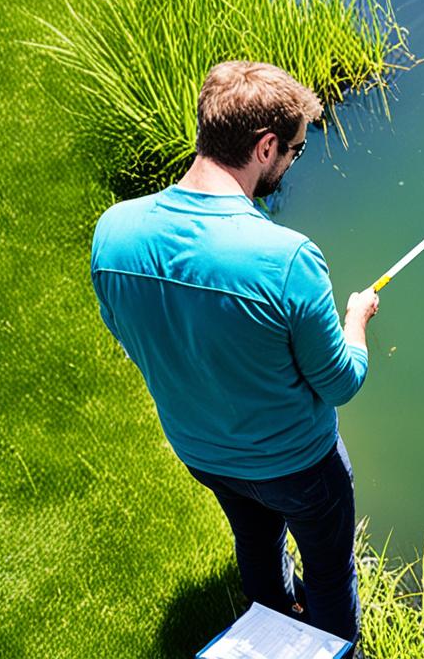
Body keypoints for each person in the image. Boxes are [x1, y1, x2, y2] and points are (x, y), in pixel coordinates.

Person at [90, 60, 378, 644]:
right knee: (329, 571)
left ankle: (272, 630)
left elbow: (132, 338)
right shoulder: (287, 258)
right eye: (294, 151)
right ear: (265, 147)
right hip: (299, 464)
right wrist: (355, 319)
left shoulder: (113, 232)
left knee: (254, 538)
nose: (293, 161)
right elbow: (341, 382)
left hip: (202, 452)